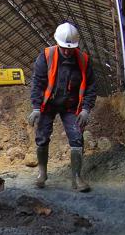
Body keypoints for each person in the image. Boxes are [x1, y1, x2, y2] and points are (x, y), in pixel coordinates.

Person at [28, 22, 96, 192]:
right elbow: (37, 83)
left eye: (70, 48)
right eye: (63, 48)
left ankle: (77, 178)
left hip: (71, 106)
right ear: (57, 43)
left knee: (77, 138)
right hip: (48, 104)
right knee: (42, 137)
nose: (67, 51)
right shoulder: (46, 56)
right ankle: (42, 174)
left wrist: (86, 109)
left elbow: (91, 87)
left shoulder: (84, 60)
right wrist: (36, 107)